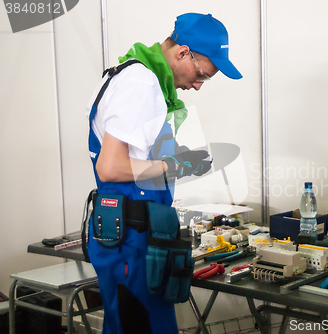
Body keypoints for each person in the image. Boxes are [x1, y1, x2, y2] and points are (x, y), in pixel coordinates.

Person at [85, 13, 242, 334]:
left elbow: (131, 158)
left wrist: (177, 159)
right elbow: (110, 167)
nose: (199, 85)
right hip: (131, 238)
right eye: (203, 75)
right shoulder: (141, 83)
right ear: (184, 52)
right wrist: (175, 166)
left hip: (134, 231)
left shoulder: (133, 75)